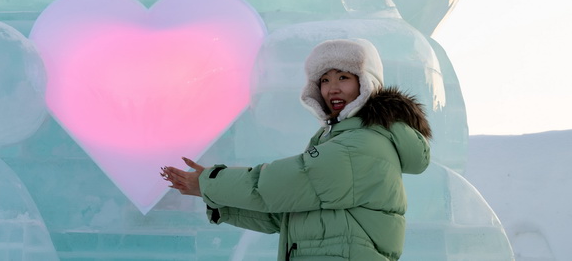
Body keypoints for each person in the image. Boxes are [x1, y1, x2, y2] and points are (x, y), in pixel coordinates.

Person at [161, 38, 431, 261]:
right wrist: (219, 202)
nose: (332, 88)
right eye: (324, 80)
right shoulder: (341, 139)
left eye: (344, 77)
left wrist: (211, 182)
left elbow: (281, 185)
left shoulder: (362, 145)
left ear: (366, 82)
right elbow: (289, 214)